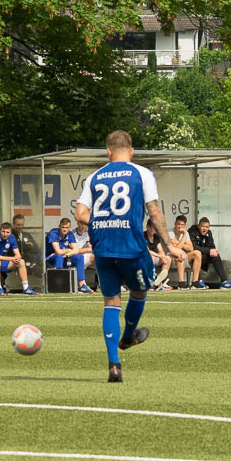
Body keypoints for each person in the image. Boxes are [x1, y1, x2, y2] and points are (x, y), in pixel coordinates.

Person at [74, 130, 185, 382]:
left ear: (108, 151)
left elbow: (80, 214)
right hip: (131, 247)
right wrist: (169, 246)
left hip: (103, 247)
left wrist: (104, 222)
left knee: (111, 302)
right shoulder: (142, 173)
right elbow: (154, 212)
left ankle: (114, 365)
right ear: (132, 151)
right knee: (139, 293)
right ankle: (128, 337)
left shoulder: (94, 177)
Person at [0, 222, 38, 296]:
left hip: (2, 261)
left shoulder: (12, 237)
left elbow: (18, 254)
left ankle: (26, 288)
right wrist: (12, 258)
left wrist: (17, 258)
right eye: (3, 231)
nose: (5, 234)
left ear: (10, 232)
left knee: (21, 262)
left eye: (7, 232)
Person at [46, 217, 94, 294]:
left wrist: (68, 253)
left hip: (64, 256)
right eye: (63, 227)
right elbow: (58, 251)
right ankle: (60, 285)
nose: (65, 229)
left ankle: (82, 285)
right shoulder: (54, 233)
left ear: (70, 227)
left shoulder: (70, 234)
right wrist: (68, 250)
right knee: (59, 257)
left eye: (67, 227)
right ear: (59, 226)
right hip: (50, 257)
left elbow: (76, 250)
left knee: (79, 257)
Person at [188, 217, 231, 289]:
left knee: (216, 256)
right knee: (197, 254)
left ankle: (224, 281)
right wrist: (209, 251)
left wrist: (213, 251)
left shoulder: (209, 233)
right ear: (198, 226)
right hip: (192, 257)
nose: (205, 229)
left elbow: (212, 246)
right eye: (203, 226)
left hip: (203, 256)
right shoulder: (192, 232)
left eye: (206, 227)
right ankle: (197, 281)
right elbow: (194, 247)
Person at [170, 216, 201, 289]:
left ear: (185, 225)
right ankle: (181, 283)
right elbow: (176, 249)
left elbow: (191, 248)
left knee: (197, 253)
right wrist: (184, 238)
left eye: (182, 225)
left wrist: (178, 242)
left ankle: (195, 282)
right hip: (171, 257)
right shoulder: (170, 233)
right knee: (180, 254)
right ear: (175, 223)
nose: (180, 226)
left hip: (183, 255)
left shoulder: (185, 233)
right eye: (178, 224)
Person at [145, 219, 172, 290]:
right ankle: (151, 280)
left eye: (154, 227)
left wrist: (163, 256)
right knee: (151, 257)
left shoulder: (156, 237)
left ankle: (160, 280)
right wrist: (159, 256)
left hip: (155, 258)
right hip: (143, 259)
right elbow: (147, 251)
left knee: (168, 258)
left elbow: (160, 250)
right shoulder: (143, 236)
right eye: (150, 227)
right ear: (147, 227)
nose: (152, 229)